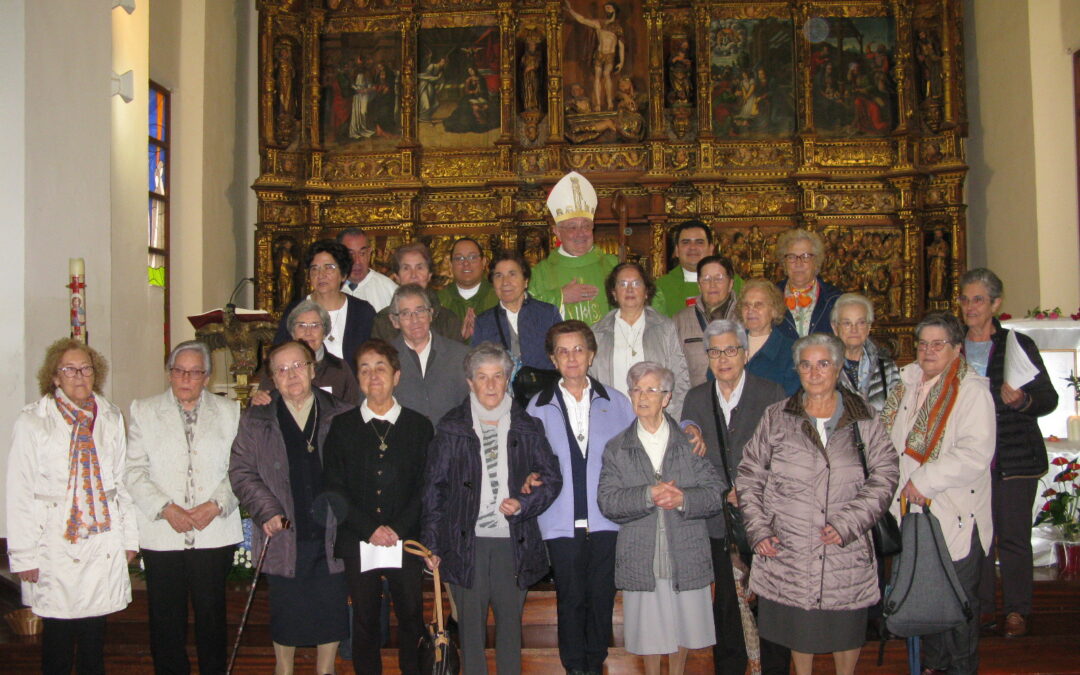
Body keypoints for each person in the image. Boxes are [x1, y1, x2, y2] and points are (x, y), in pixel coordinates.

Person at [737, 333, 899, 675]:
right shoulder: (777, 417)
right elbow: (749, 475)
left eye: (823, 363)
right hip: (790, 551)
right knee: (800, 632)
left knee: (845, 632)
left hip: (845, 550)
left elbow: (885, 475)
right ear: (797, 370)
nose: (814, 373)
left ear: (838, 367)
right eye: (806, 365)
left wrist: (847, 524)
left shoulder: (864, 417)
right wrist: (759, 529)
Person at [421, 343, 563, 675]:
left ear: (508, 378)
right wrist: (432, 544)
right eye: (481, 377)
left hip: (513, 542)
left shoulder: (527, 426)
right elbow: (433, 489)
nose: (490, 385)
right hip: (464, 543)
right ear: (469, 381)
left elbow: (552, 478)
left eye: (497, 376)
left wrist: (525, 502)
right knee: (469, 630)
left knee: (511, 629)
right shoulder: (451, 427)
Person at [7, 338, 139, 675]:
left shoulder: (109, 416)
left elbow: (121, 482)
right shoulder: (33, 421)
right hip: (54, 541)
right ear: (54, 377)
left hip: (101, 538)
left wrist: (129, 539)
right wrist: (24, 556)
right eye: (69, 369)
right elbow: (19, 491)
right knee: (59, 637)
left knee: (95, 634)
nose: (79, 376)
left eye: (86, 369)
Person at [881, 312, 996, 674]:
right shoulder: (906, 383)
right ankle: (932, 667)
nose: (928, 350)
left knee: (958, 608)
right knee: (924, 601)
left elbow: (975, 453)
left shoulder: (971, 390)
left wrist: (924, 480)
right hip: (913, 515)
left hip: (954, 514)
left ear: (956, 349)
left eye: (938, 344)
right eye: (923, 343)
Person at [229, 340, 353, 675]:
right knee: (287, 615)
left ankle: (325, 671)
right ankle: (283, 671)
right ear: (272, 378)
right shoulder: (257, 419)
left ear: (313, 369)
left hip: (330, 532)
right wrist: (266, 510)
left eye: (298, 366)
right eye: (281, 370)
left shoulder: (341, 413)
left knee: (329, 612)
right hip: (283, 532)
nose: (291, 374)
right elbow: (241, 471)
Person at [597, 361, 725, 675]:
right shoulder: (617, 448)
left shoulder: (688, 442)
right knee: (650, 635)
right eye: (636, 389)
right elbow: (607, 501)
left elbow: (715, 493)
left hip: (685, 548)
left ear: (666, 398)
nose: (642, 396)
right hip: (642, 553)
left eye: (651, 389)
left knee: (683, 628)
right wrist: (648, 495)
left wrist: (684, 499)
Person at [125, 340, 242, 675]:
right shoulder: (144, 411)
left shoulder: (229, 411)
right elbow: (133, 470)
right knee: (165, 618)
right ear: (169, 374)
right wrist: (165, 508)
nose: (186, 379)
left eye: (195, 372)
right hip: (163, 532)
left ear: (207, 377)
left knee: (211, 615)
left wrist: (217, 504)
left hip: (213, 531)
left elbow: (241, 468)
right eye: (179, 371)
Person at [525, 320, 636, 675]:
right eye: (563, 351)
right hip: (559, 520)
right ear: (552, 359)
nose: (571, 357)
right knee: (570, 598)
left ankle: (595, 661)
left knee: (601, 597)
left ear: (591, 355)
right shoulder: (536, 406)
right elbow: (524, 459)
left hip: (606, 519)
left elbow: (637, 451)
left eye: (578, 349)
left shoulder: (617, 402)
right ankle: (574, 667)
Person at [679, 320, 789, 675]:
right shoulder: (696, 397)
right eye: (714, 351)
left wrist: (751, 490)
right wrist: (688, 428)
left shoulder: (771, 393)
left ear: (744, 353)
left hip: (762, 518)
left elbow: (785, 455)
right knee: (725, 606)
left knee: (770, 604)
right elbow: (687, 451)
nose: (722, 358)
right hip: (717, 520)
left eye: (730, 350)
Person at [323, 340, 434, 675]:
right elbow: (334, 488)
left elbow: (425, 486)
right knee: (365, 622)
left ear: (396, 376)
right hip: (359, 539)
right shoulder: (342, 427)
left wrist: (397, 529)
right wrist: (369, 528)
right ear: (358, 378)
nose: (373, 376)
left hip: (407, 538)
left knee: (412, 619)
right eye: (365, 369)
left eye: (381, 368)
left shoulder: (419, 426)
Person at [958, 268, 1058, 639]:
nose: (970, 307)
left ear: (996, 304)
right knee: (977, 540)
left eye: (978, 299)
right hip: (970, 463)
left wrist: (1023, 400)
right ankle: (981, 611)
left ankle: (1017, 611)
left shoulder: (1017, 344)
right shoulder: (953, 345)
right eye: (965, 299)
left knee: (1013, 538)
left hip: (1014, 459)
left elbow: (1048, 398)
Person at [591, 262, 691, 418]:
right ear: (614, 293)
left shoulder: (665, 327)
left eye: (636, 283)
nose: (629, 289)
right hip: (612, 419)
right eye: (622, 284)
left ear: (646, 291)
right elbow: (591, 383)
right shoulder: (597, 333)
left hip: (656, 420)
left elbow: (680, 378)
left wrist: (672, 421)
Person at [274, 239, 377, 376]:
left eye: (329, 267)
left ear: (344, 274)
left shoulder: (362, 312)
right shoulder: (295, 311)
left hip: (352, 392)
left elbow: (374, 358)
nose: (321, 275)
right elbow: (277, 357)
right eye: (314, 269)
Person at [531, 171, 620, 324]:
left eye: (586, 226)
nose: (581, 233)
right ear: (557, 232)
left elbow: (647, 299)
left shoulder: (614, 265)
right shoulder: (540, 273)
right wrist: (560, 297)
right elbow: (524, 312)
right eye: (572, 227)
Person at [387, 284, 470, 426]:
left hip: (451, 443)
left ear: (430, 314)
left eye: (420, 311)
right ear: (395, 321)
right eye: (406, 314)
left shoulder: (461, 356)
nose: (415, 320)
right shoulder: (385, 359)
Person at [472, 250, 562, 371]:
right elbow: (476, 366)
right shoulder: (483, 322)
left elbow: (562, 356)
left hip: (544, 387)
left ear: (525, 281)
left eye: (512, 274)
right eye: (499, 276)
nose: (505, 282)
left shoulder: (548, 314)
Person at [258, 299, 361, 405]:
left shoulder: (339, 369)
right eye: (301, 326)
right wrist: (257, 400)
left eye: (315, 326)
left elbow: (353, 411)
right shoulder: (276, 365)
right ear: (293, 332)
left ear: (324, 332)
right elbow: (262, 408)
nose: (308, 332)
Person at [371, 241, 465, 343]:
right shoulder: (383, 321)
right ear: (397, 277)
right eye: (406, 268)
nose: (413, 275)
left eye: (419, 267)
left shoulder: (448, 319)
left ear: (429, 275)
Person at [674, 255, 740, 387]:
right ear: (699, 285)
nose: (712, 285)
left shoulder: (744, 316)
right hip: (697, 401)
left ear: (731, 283)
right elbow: (676, 371)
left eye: (719, 278)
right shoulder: (680, 320)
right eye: (706, 279)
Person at [831, 292, 899, 412]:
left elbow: (896, 414)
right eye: (847, 323)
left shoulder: (886, 368)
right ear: (835, 328)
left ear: (868, 328)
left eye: (861, 323)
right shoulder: (825, 367)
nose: (854, 329)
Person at [655, 220, 737, 317]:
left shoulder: (733, 282)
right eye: (686, 242)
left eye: (699, 242)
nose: (692, 247)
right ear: (676, 250)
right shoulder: (660, 288)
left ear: (711, 249)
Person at [775, 229, 843, 340]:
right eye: (791, 257)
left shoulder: (834, 300)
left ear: (816, 262)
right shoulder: (771, 298)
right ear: (784, 262)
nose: (798, 263)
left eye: (805, 256)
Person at [739, 278, 800, 395]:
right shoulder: (731, 345)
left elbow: (790, 399)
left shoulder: (791, 351)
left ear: (774, 311)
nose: (751, 310)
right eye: (746, 305)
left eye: (758, 305)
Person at [437, 237, 499, 340]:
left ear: (483, 262)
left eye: (472, 257)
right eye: (459, 258)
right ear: (451, 264)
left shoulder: (498, 297)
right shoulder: (439, 300)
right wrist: (458, 338)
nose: (466, 263)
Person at [338, 227, 397, 313]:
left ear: (369, 253)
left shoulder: (389, 289)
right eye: (350, 254)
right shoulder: (330, 289)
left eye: (362, 253)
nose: (357, 261)